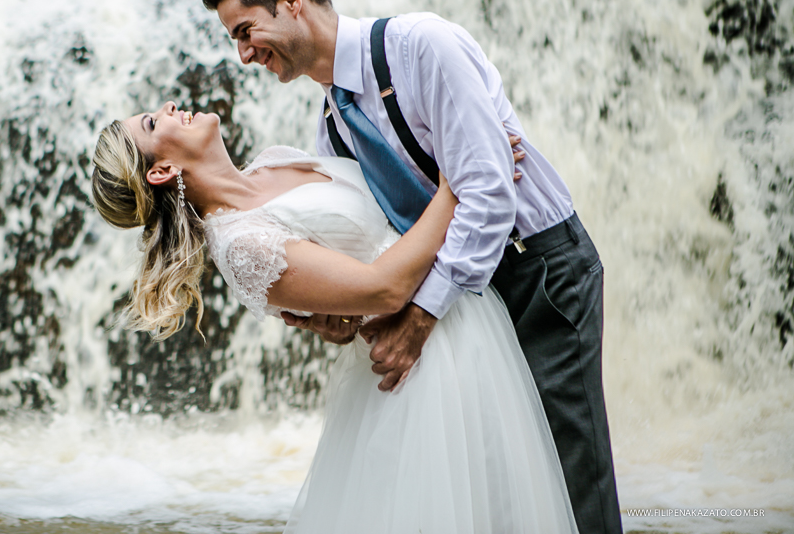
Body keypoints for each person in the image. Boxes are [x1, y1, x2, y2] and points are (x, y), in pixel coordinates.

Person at [201, 0, 621, 534]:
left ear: (290, 0)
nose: (244, 54)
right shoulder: (333, 130)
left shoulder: (422, 46)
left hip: (538, 275)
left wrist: (421, 318)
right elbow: (386, 238)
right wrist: (331, 314)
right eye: (235, 40)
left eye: (245, 31)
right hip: (471, 305)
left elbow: (488, 190)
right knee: (507, 492)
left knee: (573, 480)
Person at [90, 103, 578, 532]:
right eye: (152, 122)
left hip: (466, 327)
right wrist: (461, 182)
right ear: (161, 171)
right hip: (427, 369)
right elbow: (384, 288)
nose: (169, 106)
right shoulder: (241, 245)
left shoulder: (272, 161)